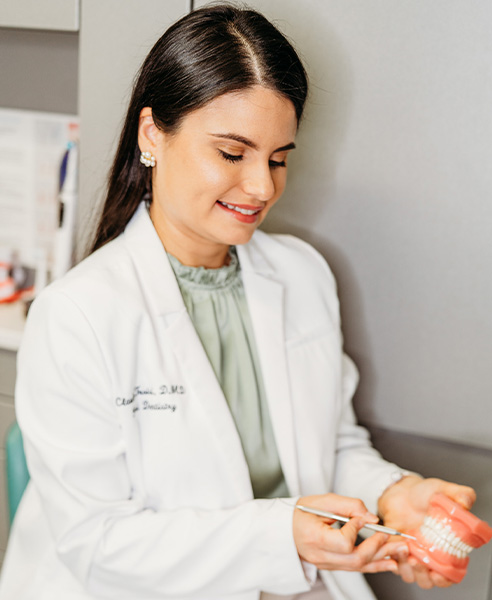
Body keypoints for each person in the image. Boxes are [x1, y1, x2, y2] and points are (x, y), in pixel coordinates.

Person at [0, 5, 475, 600]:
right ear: (153, 134)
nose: (262, 187)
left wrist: (391, 493)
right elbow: (98, 545)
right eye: (232, 153)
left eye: (279, 158)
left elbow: (330, 444)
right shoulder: (77, 316)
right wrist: (283, 536)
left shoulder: (302, 274)